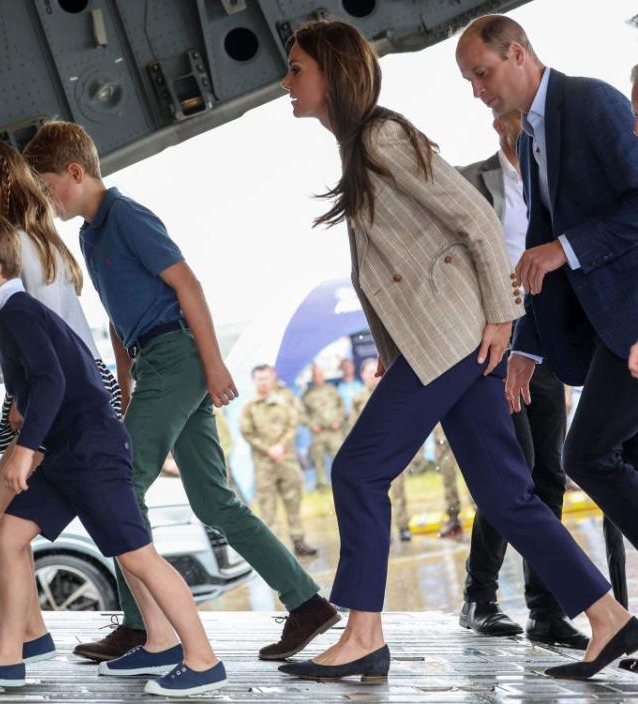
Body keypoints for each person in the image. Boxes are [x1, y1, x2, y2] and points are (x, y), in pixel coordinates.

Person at [276, 18, 632, 682]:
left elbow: (472, 218)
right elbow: (393, 269)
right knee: (506, 496)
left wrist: (502, 317)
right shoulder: (360, 147)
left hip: (453, 341)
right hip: (438, 344)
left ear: (331, 72)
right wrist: (391, 346)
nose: (287, 82)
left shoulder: (382, 136)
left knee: (357, 471)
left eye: (297, 69)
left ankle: (363, 634)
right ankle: (609, 617)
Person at [24, 121, 339, 663]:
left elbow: (187, 284)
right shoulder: (89, 234)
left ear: (76, 172)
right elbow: (119, 324)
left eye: (49, 186)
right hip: (154, 362)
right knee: (212, 499)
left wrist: (213, 365)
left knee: (120, 481)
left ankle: (144, 626)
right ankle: (307, 603)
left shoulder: (128, 217)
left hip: (179, 355)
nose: (48, 200)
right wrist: (122, 392)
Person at [0, 212, 227, 696]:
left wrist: (25, 450)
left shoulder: (18, 315)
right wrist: (28, 424)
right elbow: (52, 382)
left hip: (90, 454)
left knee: (138, 558)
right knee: (9, 535)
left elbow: (53, 379)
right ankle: (8, 655)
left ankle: (202, 659)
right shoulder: (14, 317)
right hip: (66, 454)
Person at [458, 14, 638, 677]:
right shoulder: (535, 132)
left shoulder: (589, 103)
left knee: (587, 454)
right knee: (613, 460)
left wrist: (565, 248)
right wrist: (528, 346)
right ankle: (617, 627)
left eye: (483, 73)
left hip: (630, 326)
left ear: (519, 54)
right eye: (469, 81)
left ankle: (613, 626)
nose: (478, 90)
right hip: (599, 335)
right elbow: (534, 245)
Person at [0, 138, 122, 661]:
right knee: (7, 509)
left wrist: (28, 424)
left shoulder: (16, 248)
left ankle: (29, 636)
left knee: (1, 506)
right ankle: (29, 633)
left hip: (58, 397)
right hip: (70, 389)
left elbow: (44, 348)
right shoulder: (40, 241)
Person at [456, 109, 588, 648]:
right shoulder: (470, 183)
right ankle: (478, 597)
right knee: (517, 469)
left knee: (550, 474)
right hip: (492, 345)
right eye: (509, 118)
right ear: (495, 124)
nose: (520, 128)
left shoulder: (555, 185)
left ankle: (546, 611)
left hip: (545, 345)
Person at [240, 364, 317, 557]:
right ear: (254, 381)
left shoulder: (284, 401)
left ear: (272, 378)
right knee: (267, 507)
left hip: (286, 460)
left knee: (293, 501)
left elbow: (293, 424)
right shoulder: (250, 407)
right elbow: (247, 433)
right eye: (259, 379)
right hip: (264, 465)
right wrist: (269, 449)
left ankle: (299, 541)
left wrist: (281, 446)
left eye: (266, 378)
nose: (263, 382)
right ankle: (275, 550)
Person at [351, 359, 411, 542]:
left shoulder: (391, 392)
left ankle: (403, 527)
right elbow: (354, 426)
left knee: (399, 491)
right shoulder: (358, 398)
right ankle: (383, 532)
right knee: (375, 494)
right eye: (367, 373)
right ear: (362, 375)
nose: (372, 376)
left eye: (373, 372)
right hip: (371, 454)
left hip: (393, 450)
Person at [300, 363, 345, 490]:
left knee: (339, 457)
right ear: (312, 377)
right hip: (318, 433)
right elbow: (302, 414)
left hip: (334, 431)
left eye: (320, 374)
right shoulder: (307, 394)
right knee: (318, 460)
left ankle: (343, 481)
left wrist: (338, 421)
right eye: (315, 375)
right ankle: (322, 485)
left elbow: (341, 407)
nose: (318, 377)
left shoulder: (332, 389)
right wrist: (311, 424)